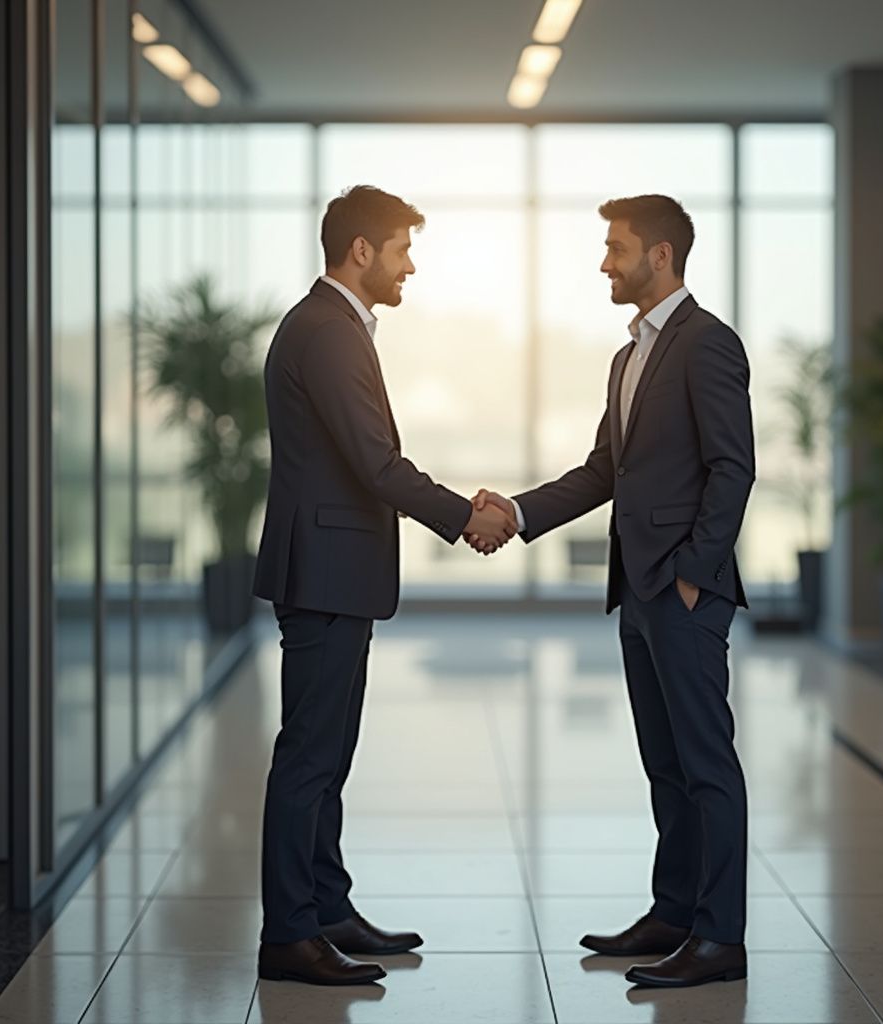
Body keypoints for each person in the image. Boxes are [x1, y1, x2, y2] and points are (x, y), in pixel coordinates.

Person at [471, 194, 755, 988]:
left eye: (615, 248)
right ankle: (674, 913)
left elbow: (734, 467)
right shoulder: (627, 356)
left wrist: (697, 574)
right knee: (665, 764)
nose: (604, 262)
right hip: (638, 590)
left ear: (660, 256)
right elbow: (607, 472)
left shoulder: (708, 345)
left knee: (706, 765)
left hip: (684, 589)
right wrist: (518, 513)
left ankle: (719, 938)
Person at [253, 185, 516, 986]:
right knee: (309, 756)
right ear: (360, 251)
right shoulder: (328, 332)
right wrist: (462, 515)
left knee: (327, 753)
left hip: (336, 573)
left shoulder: (334, 326)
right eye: (402, 249)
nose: (411, 266)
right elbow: (375, 463)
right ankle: (290, 934)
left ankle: (326, 908)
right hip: (326, 575)